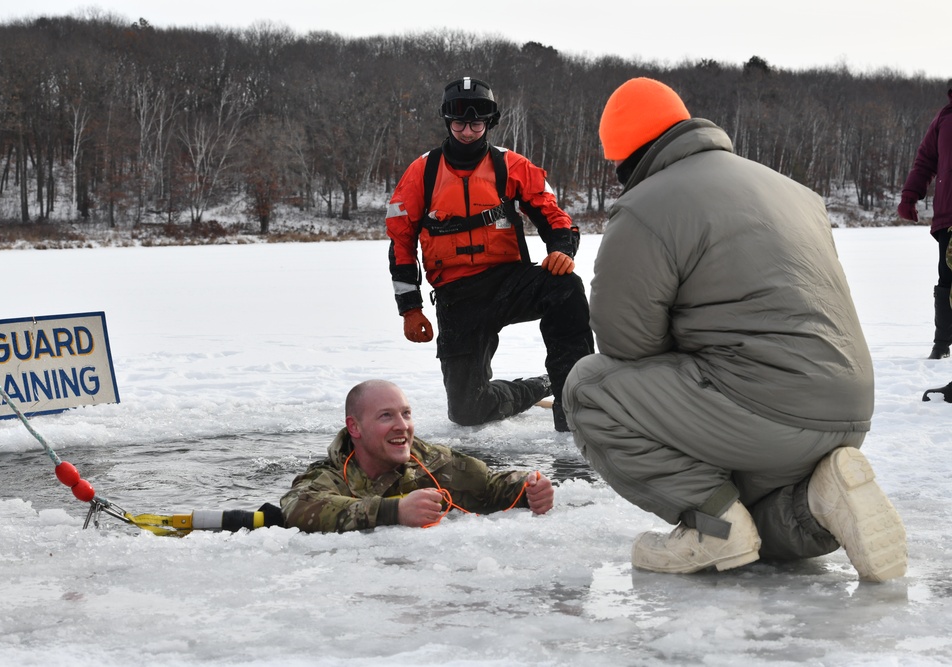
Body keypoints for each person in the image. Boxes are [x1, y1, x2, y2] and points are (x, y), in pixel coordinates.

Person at [562, 78, 907, 581]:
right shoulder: (792, 191)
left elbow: (624, 344)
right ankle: (819, 501)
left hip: (759, 405)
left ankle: (709, 526)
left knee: (588, 388)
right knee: (750, 516)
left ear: (622, 158)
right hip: (846, 412)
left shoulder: (646, 205)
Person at [385, 76, 594, 432]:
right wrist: (410, 308)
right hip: (457, 297)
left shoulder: (511, 166)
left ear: (489, 123)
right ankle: (536, 387)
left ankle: (577, 409)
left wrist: (562, 250)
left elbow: (554, 216)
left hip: (509, 283)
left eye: (476, 122)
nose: (468, 131)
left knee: (566, 286)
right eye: (460, 122)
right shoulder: (422, 172)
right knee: (467, 411)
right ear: (448, 121)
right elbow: (401, 242)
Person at [281, 380, 554, 533]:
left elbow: (490, 484)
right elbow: (299, 506)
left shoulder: (433, 462)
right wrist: (395, 512)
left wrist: (526, 487)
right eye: (386, 416)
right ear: (355, 427)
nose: (402, 425)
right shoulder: (331, 475)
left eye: (406, 413)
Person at [897, 79, 952, 359]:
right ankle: (942, 344)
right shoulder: (945, 118)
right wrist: (910, 195)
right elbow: (925, 160)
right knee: (947, 279)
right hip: (949, 216)